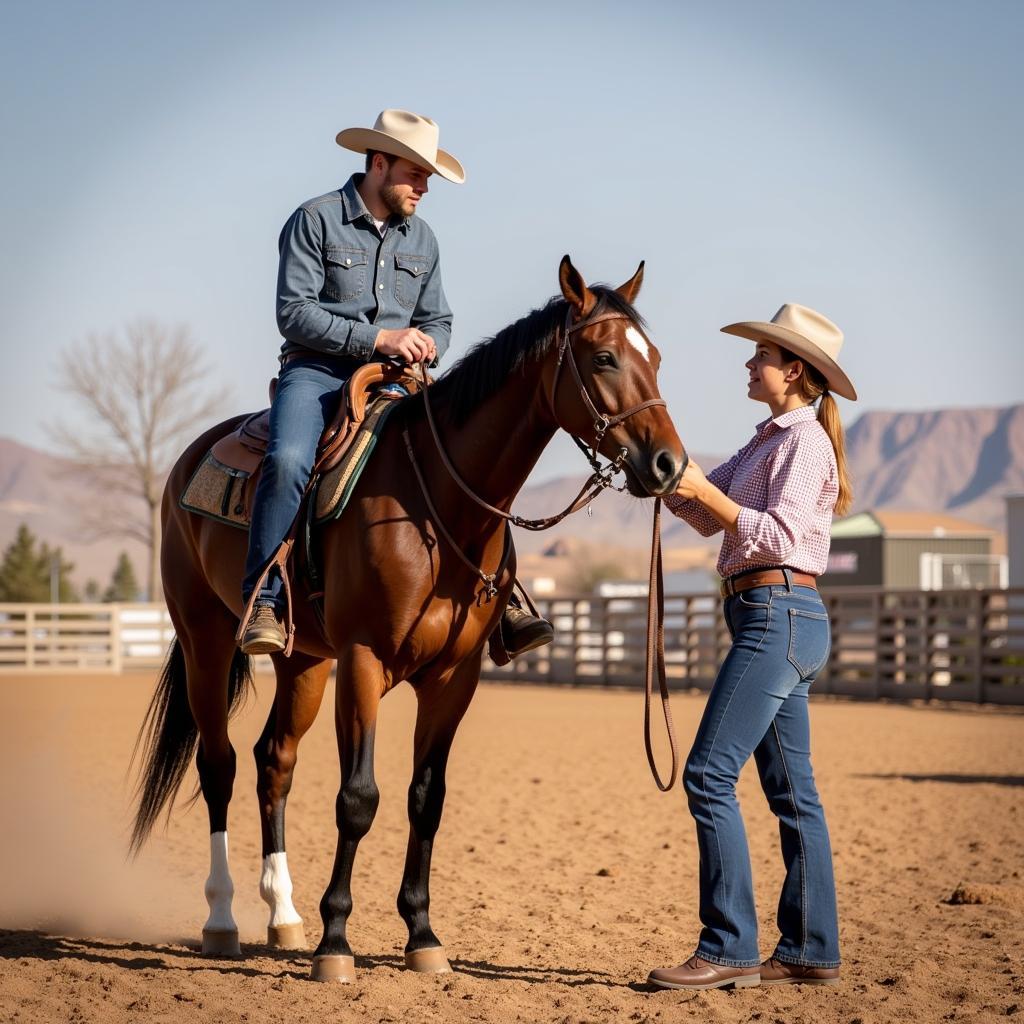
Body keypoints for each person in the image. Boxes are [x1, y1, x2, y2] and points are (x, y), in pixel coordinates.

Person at [239, 109, 552, 657]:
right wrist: (380, 339)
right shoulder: (314, 220)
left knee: (475, 455)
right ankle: (262, 599)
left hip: (401, 380)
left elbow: (440, 320)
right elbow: (294, 313)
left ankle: (505, 596)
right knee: (288, 458)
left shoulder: (423, 239)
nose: (423, 188)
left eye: (428, 178)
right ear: (378, 164)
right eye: (416, 174)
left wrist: (428, 343)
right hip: (317, 373)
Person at [647, 303, 856, 991]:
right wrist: (657, 469)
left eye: (760, 356)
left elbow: (779, 534)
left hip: (778, 612)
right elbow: (704, 510)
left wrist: (702, 486)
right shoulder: (766, 440)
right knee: (794, 794)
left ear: (792, 370)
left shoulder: (805, 444)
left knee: (709, 775)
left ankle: (730, 946)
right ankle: (808, 951)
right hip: (772, 616)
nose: (748, 363)